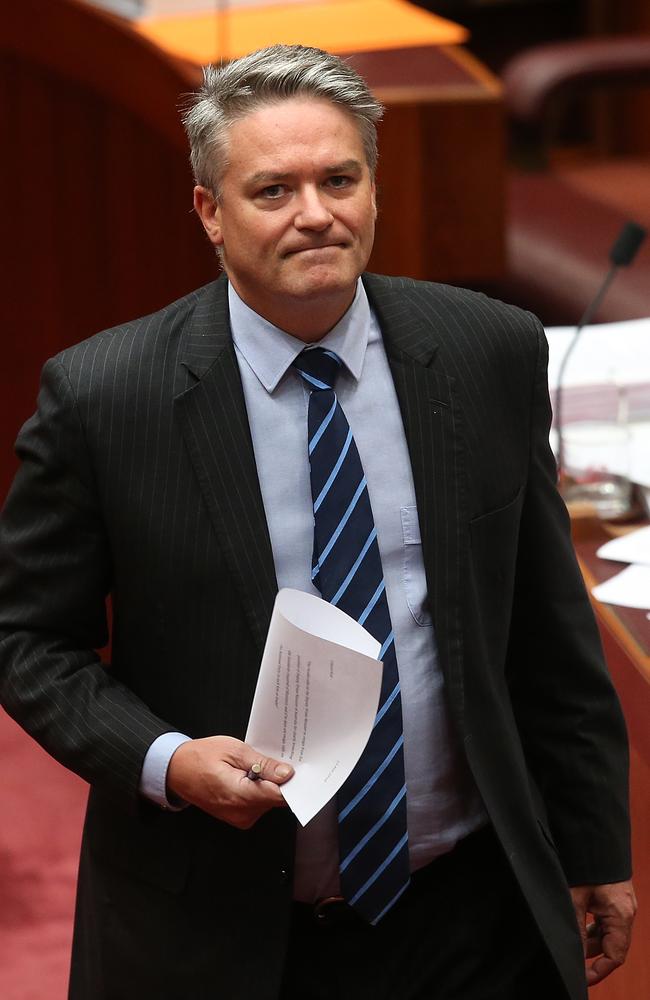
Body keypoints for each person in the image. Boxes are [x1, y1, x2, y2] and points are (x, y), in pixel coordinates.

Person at [0, 44, 636, 1000]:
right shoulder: (105, 396)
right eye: (273, 190)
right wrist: (168, 762)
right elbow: (25, 638)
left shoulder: (485, 351)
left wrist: (593, 843)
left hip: (470, 911)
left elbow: (550, 629)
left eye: (340, 179)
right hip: (223, 929)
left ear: (373, 188)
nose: (315, 214)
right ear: (209, 212)